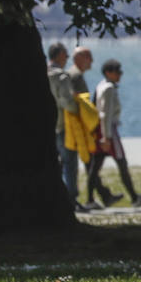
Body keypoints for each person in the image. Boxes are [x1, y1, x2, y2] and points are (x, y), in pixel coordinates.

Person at [90, 60, 141, 208]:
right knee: (121, 163)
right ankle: (134, 197)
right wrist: (106, 137)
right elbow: (105, 114)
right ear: (108, 73)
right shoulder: (109, 89)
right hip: (109, 130)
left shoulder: (101, 86)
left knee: (96, 166)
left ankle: (90, 199)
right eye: (118, 72)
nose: (120, 75)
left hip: (101, 130)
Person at [69, 47, 122, 210]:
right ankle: (87, 198)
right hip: (81, 127)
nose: (91, 61)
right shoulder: (75, 76)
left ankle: (102, 196)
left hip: (83, 126)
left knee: (90, 163)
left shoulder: (76, 76)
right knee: (87, 163)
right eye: (88, 57)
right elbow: (79, 103)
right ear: (78, 58)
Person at [46, 42, 86, 210]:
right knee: (69, 162)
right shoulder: (61, 76)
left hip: (46, 126)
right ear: (60, 55)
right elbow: (67, 101)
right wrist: (80, 110)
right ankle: (71, 199)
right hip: (63, 125)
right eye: (66, 55)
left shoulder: (41, 74)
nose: (68, 58)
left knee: (53, 164)